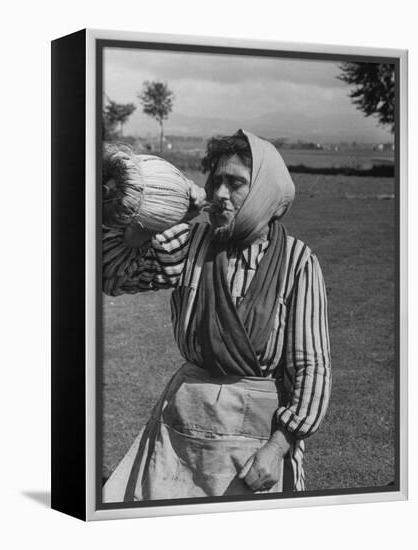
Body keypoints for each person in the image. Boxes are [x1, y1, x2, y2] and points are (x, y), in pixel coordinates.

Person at [102, 129, 331, 502]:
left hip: (258, 435)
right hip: (184, 427)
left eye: (236, 184)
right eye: (216, 181)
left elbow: (311, 366)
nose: (220, 194)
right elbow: (112, 275)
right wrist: (150, 223)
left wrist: (279, 446)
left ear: (263, 193)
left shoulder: (298, 262)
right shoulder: (191, 242)